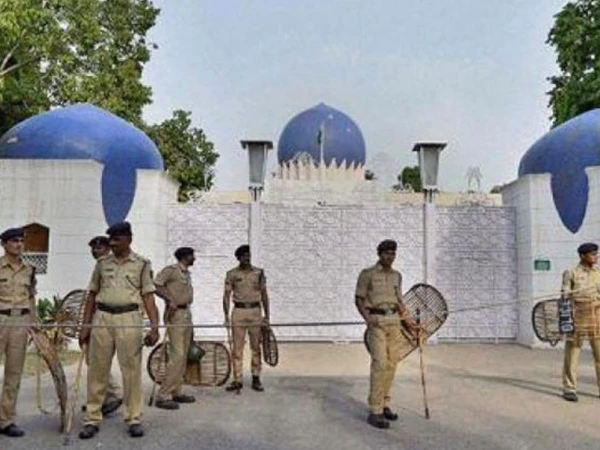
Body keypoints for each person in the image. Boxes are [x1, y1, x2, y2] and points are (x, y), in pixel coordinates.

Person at [78, 222, 159, 439]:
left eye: (117, 239)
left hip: (129, 318)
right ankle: (92, 418)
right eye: (111, 239)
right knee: (97, 370)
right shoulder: (102, 264)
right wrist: (85, 326)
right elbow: (92, 295)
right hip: (102, 318)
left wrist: (154, 327)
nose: (112, 243)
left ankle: (134, 418)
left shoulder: (142, 264)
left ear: (128, 239)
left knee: (131, 371)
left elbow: (148, 297)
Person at [355, 239, 418, 429]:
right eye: (386, 253)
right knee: (380, 363)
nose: (390, 257)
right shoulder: (367, 274)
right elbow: (359, 299)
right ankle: (375, 410)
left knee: (392, 364)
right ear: (379, 254)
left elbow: (400, 303)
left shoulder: (397, 276)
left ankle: (384, 404)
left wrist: (410, 323)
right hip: (377, 322)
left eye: (393, 253)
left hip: (394, 322)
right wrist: (368, 318)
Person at [0, 228, 36, 438]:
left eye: (21, 241)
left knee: (14, 373)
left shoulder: (29, 270)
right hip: (1, 318)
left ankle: (6, 420)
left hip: (21, 322)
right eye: (14, 241)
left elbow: (31, 297)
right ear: (4, 244)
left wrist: (34, 323)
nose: (19, 244)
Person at [153, 247, 196, 410]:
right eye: (192, 255)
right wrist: (170, 299)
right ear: (185, 257)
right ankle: (163, 395)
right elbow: (156, 285)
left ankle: (176, 391)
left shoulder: (186, 273)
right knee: (177, 355)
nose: (194, 258)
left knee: (183, 355)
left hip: (186, 313)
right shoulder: (171, 270)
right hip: (175, 313)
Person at [223, 245, 269, 392]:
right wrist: (226, 316)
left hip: (255, 311)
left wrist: (267, 316)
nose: (247, 258)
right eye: (243, 256)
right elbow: (226, 296)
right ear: (238, 258)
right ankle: (237, 379)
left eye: (248, 255)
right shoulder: (232, 274)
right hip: (239, 311)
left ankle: (256, 377)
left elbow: (264, 294)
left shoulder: (258, 273)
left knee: (256, 347)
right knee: (237, 348)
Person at [85, 236, 123, 416]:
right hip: (98, 318)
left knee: (98, 361)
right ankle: (100, 399)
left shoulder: (112, 266)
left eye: (99, 248)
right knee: (94, 361)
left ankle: (114, 394)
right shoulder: (99, 266)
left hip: (109, 318)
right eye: (93, 248)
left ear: (108, 249)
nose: (95, 251)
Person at [561, 242, 600, 402]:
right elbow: (564, 294)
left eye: (597, 254)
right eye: (593, 254)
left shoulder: (598, 273)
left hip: (596, 315)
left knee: (599, 354)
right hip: (578, 315)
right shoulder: (571, 273)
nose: (596, 257)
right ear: (583, 256)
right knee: (573, 353)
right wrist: (569, 292)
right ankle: (569, 388)